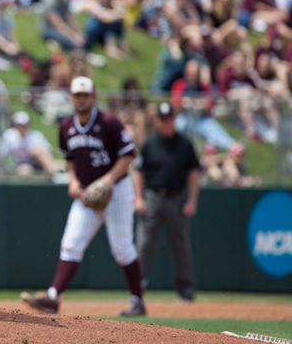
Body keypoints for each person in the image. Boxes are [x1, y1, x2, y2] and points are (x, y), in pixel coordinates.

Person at [21, 76, 146, 317]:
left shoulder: (109, 122)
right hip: (87, 194)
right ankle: (54, 297)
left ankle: (137, 300)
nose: (81, 99)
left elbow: (128, 155)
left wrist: (107, 181)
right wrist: (74, 180)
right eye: (77, 95)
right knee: (71, 244)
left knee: (122, 247)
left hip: (117, 189)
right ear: (70, 98)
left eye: (85, 95)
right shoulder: (66, 125)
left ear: (94, 97)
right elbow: (69, 159)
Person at [132, 102, 201, 301]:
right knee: (144, 245)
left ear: (174, 119)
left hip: (176, 198)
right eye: (162, 119)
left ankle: (186, 290)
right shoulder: (149, 144)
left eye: (169, 118)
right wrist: (138, 198)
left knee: (181, 246)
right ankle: (138, 290)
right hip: (152, 197)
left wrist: (192, 200)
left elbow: (194, 173)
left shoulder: (184, 144)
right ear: (157, 121)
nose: (165, 123)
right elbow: (138, 172)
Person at [0, 111, 59, 177]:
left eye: (24, 125)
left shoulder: (35, 135)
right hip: (20, 165)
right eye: (19, 125)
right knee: (25, 170)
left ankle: (54, 171)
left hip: (38, 163)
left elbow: (47, 151)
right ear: (15, 125)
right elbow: (1, 155)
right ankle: (54, 172)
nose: (21, 127)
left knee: (38, 151)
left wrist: (33, 152)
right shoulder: (9, 136)